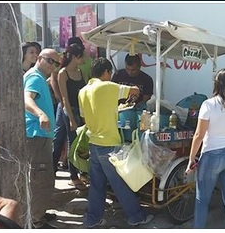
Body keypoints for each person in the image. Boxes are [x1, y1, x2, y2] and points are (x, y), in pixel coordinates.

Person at [78, 58, 154, 228]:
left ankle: (92, 219)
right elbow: (134, 90)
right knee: (120, 183)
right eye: (109, 73)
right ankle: (136, 216)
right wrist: (131, 98)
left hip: (93, 142)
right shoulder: (108, 87)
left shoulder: (83, 91)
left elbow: (84, 116)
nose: (110, 76)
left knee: (97, 185)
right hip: (109, 143)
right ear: (106, 72)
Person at [186, 68, 225, 229]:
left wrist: (191, 159)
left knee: (202, 200)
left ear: (217, 84)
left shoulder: (209, 104)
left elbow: (199, 134)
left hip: (212, 154)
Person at [23, 48, 61, 228]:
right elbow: (26, 99)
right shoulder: (35, 78)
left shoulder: (36, 76)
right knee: (41, 179)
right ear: (39, 59)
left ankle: (38, 213)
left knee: (41, 177)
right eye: (50, 61)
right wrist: (41, 114)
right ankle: (36, 221)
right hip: (37, 136)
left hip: (40, 136)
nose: (53, 66)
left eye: (56, 63)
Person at [52, 43, 87, 190]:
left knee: (61, 138)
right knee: (70, 141)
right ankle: (73, 176)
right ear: (74, 57)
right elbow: (64, 98)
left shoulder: (80, 72)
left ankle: (60, 170)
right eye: (81, 56)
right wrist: (72, 119)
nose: (84, 59)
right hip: (67, 109)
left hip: (78, 110)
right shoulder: (63, 73)